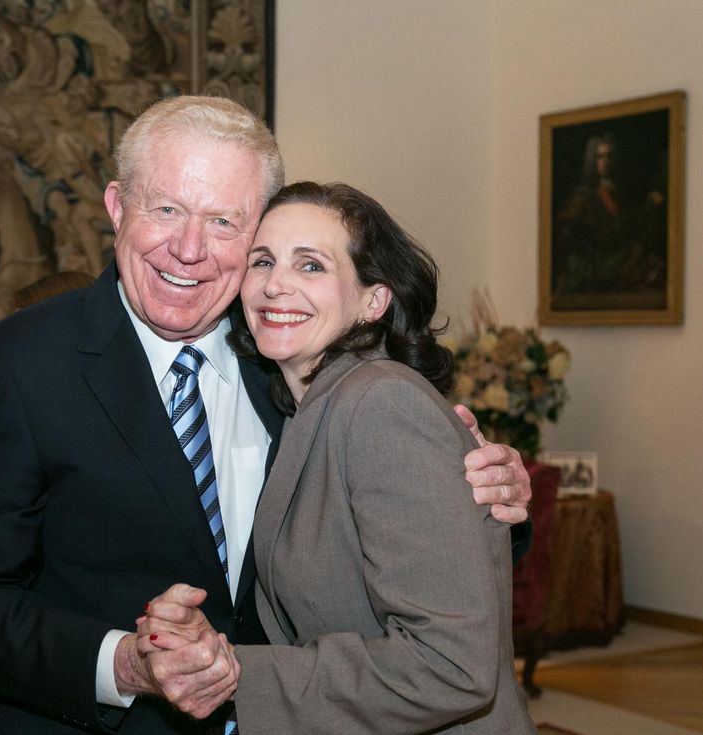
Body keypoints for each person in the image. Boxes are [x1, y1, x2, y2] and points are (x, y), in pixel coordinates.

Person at [0, 95, 531, 735]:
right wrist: (125, 665)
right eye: (166, 210)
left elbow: (387, 543)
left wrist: (487, 502)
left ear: (257, 230)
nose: (190, 250)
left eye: (224, 222)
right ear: (116, 207)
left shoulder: (285, 352)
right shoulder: (22, 362)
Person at [138, 182, 536, 733]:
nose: (277, 285)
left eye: (311, 266)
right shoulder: (308, 408)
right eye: (263, 261)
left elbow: (452, 665)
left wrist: (235, 673)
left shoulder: (381, 403)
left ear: (374, 300)